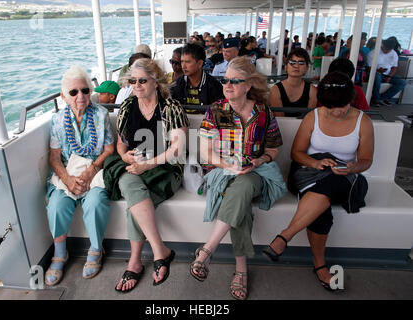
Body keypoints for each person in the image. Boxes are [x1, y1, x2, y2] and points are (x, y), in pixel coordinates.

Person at [263, 71, 374, 291]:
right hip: (309, 174)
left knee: (331, 182)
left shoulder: (363, 121)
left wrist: (353, 166)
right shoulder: (313, 117)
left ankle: (285, 236)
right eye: (331, 107)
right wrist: (316, 164)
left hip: (343, 177)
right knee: (323, 204)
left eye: (341, 106)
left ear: (350, 100)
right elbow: (297, 153)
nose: (337, 112)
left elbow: (366, 160)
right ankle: (319, 266)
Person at [190, 56, 285, 300]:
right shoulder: (216, 110)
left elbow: (273, 150)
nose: (228, 85)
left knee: (244, 183)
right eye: (225, 80)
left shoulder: (263, 113)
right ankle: (241, 270)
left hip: (254, 173)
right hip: (220, 172)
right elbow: (205, 152)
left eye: (235, 81)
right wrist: (229, 164)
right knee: (239, 195)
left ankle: (207, 250)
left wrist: (257, 161)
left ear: (248, 85)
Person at [107, 58, 189, 292]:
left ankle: (135, 262)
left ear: (156, 81)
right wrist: (125, 157)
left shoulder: (171, 108)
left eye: (142, 80)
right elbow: (121, 144)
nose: (137, 85)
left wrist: (147, 165)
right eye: (132, 81)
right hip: (133, 166)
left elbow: (177, 149)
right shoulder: (127, 106)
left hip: (164, 168)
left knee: (135, 199)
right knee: (132, 183)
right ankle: (159, 251)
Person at [44, 66, 115, 286]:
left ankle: (96, 248)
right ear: (64, 96)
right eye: (73, 92)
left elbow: (109, 149)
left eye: (85, 90)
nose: (80, 96)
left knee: (95, 202)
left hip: (95, 170)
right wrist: (67, 179)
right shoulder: (57, 120)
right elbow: (54, 157)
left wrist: (91, 169)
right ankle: (60, 252)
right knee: (56, 204)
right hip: (68, 172)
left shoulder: (101, 114)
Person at [171, 43, 224, 113]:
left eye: (187, 62)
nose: (183, 66)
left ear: (199, 64)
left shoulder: (214, 86)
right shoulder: (177, 84)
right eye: (182, 62)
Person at [269, 48, 318, 117]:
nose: (296, 66)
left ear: (307, 68)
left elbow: (309, 119)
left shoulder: (312, 91)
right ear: (286, 67)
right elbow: (279, 119)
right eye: (292, 63)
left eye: (301, 63)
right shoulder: (275, 90)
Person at [367, 38, 406, 107]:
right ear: (382, 45)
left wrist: (389, 76)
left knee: (402, 82)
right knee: (377, 76)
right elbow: (369, 68)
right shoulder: (373, 53)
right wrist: (378, 70)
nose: (386, 51)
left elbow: (394, 67)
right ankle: (375, 99)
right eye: (385, 48)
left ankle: (384, 97)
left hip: (387, 74)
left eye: (389, 49)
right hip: (375, 73)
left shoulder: (394, 54)